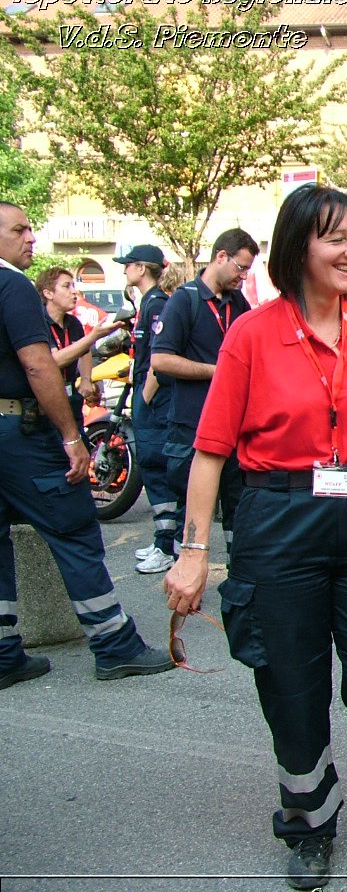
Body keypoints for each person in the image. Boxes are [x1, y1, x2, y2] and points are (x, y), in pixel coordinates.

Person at [163, 184, 347, 890]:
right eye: (335, 238)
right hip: (278, 522)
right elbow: (210, 451)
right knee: (292, 684)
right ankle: (308, 822)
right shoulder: (252, 334)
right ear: (299, 247)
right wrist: (195, 553)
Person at [0, 201, 172, 687]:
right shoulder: (11, 285)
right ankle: (114, 643)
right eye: (20, 229)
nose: (31, 237)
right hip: (20, 433)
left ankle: (4, 650)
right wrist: (72, 437)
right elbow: (38, 364)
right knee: (74, 527)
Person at [150, 229, 256, 565]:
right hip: (192, 424)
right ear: (221, 257)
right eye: (240, 268)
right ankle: (184, 569)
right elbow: (160, 360)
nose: (243, 276)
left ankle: (240, 571)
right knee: (192, 506)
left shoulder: (239, 303)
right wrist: (217, 372)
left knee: (240, 506)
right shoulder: (185, 300)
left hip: (236, 426)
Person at [115, 245, 182, 575]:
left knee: (157, 467)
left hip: (155, 400)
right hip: (150, 395)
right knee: (156, 470)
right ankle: (164, 541)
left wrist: (143, 398)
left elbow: (159, 360)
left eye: (128, 265)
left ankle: (168, 544)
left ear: (142, 268)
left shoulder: (157, 303)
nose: (125, 271)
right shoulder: (148, 303)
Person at [34, 266, 125, 432]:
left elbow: (84, 351)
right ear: (48, 294)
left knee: (80, 445)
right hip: (46, 400)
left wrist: (85, 379)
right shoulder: (38, 322)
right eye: (66, 286)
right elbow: (54, 361)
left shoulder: (73, 323)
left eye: (73, 286)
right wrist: (93, 336)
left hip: (71, 396)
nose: (74, 292)